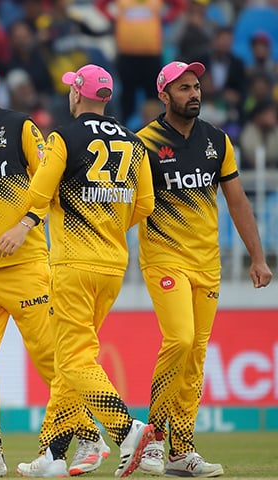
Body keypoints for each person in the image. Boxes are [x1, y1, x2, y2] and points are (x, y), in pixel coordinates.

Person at [0, 56, 108, 478]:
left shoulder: (20, 127)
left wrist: (25, 225)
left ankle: (90, 437)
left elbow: (50, 184)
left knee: (53, 358)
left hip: (26, 266)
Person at [6, 63, 155, 478]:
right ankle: (53, 454)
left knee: (72, 359)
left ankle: (127, 430)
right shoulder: (133, 141)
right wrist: (106, 219)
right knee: (75, 358)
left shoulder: (63, 137)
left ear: (76, 94)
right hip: (113, 264)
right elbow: (144, 205)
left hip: (73, 261)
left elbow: (38, 192)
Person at [136, 61, 272, 477]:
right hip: (164, 257)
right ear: (165, 95)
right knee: (178, 339)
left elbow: (237, 202)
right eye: (183, 88)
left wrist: (258, 256)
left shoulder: (217, 141)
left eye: (196, 87)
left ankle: (181, 451)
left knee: (195, 356)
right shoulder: (142, 144)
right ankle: (152, 442)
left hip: (207, 264)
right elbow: (129, 205)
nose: (193, 94)